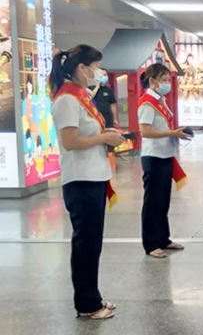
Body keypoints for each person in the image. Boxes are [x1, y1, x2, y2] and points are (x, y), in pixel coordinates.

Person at [50, 45, 125, 320]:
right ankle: (87, 304)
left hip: (93, 176)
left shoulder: (80, 97)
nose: (99, 73)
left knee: (93, 243)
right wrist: (103, 138)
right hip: (80, 181)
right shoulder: (67, 100)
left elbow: (85, 132)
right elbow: (70, 142)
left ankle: (92, 295)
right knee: (85, 244)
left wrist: (106, 133)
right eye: (96, 66)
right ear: (82, 68)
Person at [138, 64, 190, 258]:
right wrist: (171, 132)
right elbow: (145, 131)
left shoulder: (160, 100)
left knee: (163, 201)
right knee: (152, 203)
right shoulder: (147, 102)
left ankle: (163, 238)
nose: (167, 83)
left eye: (169, 80)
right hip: (153, 157)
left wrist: (178, 132)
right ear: (152, 81)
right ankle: (151, 244)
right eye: (164, 80)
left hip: (165, 155)